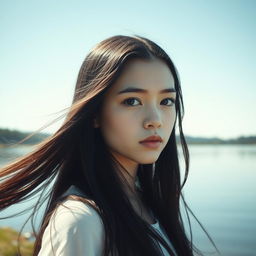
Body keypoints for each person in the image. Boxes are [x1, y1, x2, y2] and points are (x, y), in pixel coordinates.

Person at [0, 35, 216, 256]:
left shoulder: (147, 204)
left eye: (166, 101)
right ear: (94, 113)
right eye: (132, 101)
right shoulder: (80, 221)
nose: (156, 119)